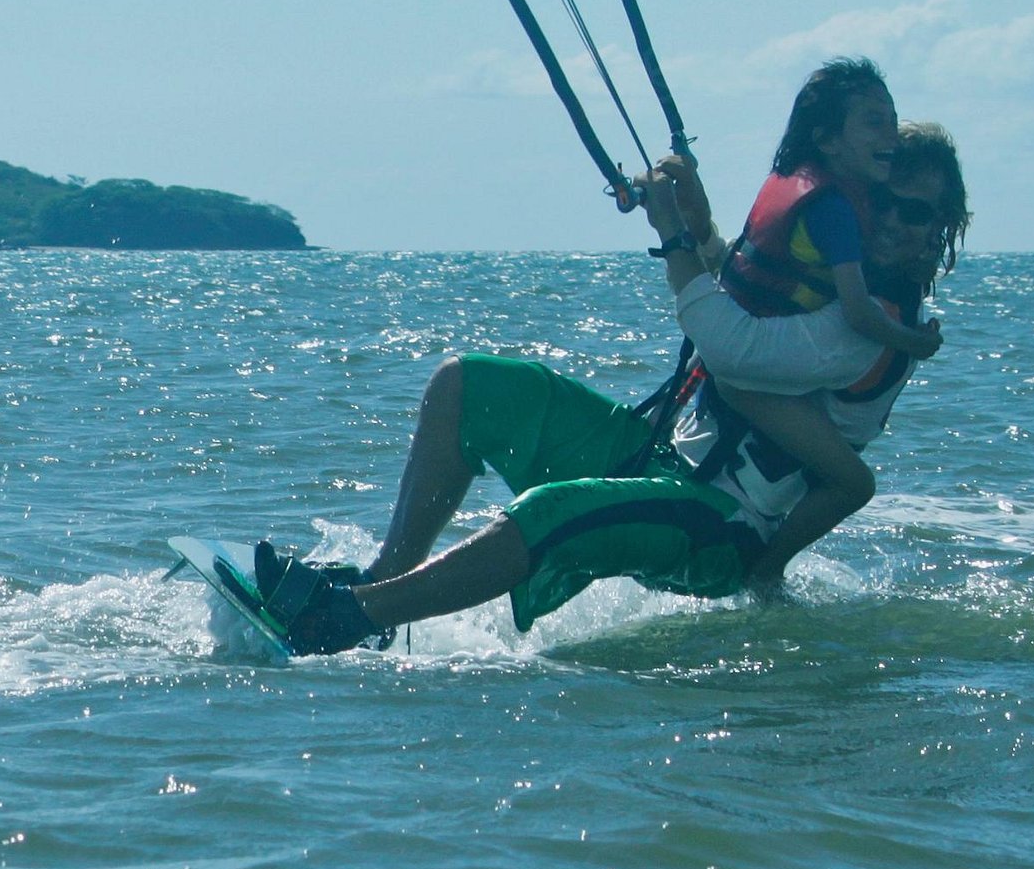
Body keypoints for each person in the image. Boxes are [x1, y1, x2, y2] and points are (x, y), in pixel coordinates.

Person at [250, 88, 969, 655]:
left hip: (719, 524)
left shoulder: (869, 328)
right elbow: (747, 298)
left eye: (940, 218)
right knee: (464, 385)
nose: (921, 230)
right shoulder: (829, 281)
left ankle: (341, 621)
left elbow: (732, 352)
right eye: (905, 208)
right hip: (659, 455)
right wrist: (701, 224)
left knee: (549, 512)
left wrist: (671, 233)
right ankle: (384, 589)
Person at [652, 59, 945, 593]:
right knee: (854, 483)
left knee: (854, 483)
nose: (894, 221)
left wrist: (682, 233)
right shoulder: (847, 288)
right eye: (885, 204)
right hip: (717, 467)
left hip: (741, 482)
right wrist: (687, 227)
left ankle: (766, 574)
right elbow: (743, 315)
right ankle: (767, 578)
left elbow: (738, 331)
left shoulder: (879, 308)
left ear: (940, 229)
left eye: (918, 214)